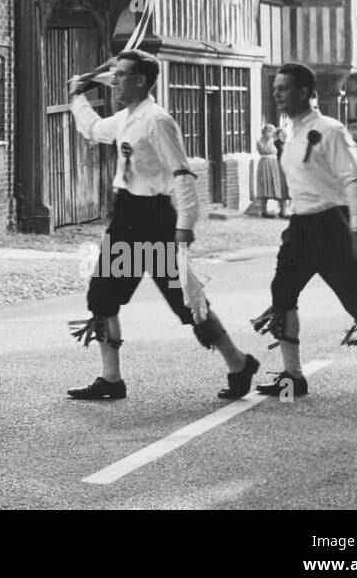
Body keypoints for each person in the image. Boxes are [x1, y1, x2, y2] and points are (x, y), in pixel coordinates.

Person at [67, 50, 259, 401]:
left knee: (186, 301)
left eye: (121, 76)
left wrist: (185, 225)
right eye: (114, 76)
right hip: (127, 215)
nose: (115, 82)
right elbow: (93, 129)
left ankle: (238, 362)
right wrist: (77, 95)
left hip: (155, 218)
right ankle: (111, 378)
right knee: (102, 294)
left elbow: (182, 172)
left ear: (140, 80)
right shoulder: (129, 117)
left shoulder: (157, 120)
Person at [251, 63, 357, 396]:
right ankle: (292, 377)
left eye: (284, 88)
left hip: (332, 226)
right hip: (300, 225)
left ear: (306, 92)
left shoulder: (331, 130)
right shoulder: (289, 131)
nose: (277, 94)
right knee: (282, 293)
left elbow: (355, 181)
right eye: (275, 88)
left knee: (354, 299)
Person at [254, 124, 289, 218]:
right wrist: (271, 140)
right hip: (265, 164)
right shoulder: (260, 142)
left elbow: (283, 150)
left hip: (276, 164)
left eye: (272, 131)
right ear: (263, 132)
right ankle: (264, 210)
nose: (270, 133)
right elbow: (265, 150)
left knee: (279, 186)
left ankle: (283, 211)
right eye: (268, 131)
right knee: (265, 185)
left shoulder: (277, 141)